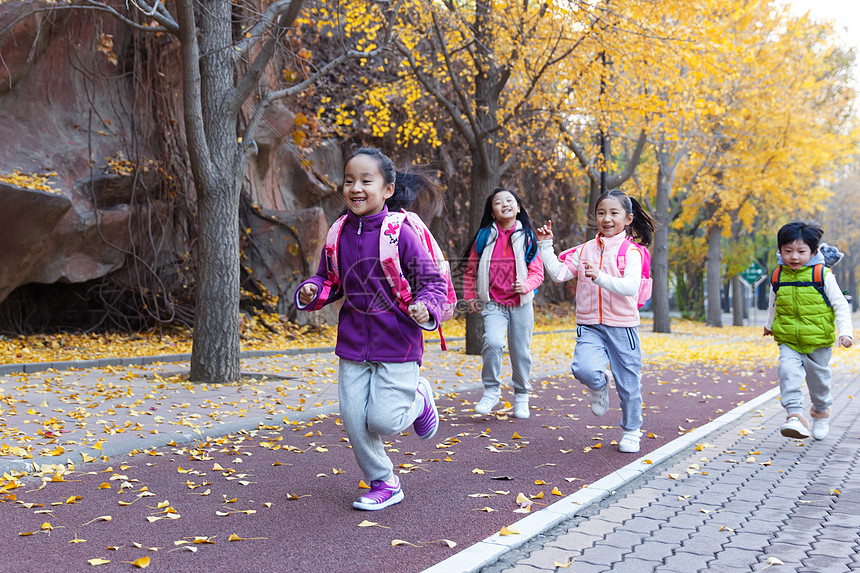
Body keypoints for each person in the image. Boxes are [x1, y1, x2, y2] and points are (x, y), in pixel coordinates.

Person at [295, 147, 448, 510]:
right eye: (349, 180)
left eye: (366, 180)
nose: (356, 188)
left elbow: (431, 281)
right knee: (353, 418)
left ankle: (420, 398)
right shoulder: (338, 233)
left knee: (383, 420)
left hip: (397, 341)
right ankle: (384, 481)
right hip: (352, 343)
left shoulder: (401, 234)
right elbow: (330, 279)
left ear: (387, 190)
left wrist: (426, 307)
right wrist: (313, 290)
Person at [536, 189, 655, 453]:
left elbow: (630, 287)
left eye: (614, 213)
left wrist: (599, 276)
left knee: (629, 384)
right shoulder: (586, 249)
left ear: (628, 219)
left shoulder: (631, 251)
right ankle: (599, 385)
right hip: (590, 325)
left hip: (623, 327)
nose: (606, 218)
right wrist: (545, 245)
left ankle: (631, 430)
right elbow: (558, 274)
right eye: (601, 213)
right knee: (583, 370)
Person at [763, 221, 853, 440]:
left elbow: (840, 304)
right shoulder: (778, 276)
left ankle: (821, 413)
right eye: (788, 251)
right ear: (780, 251)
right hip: (789, 339)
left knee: (818, 383)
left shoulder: (822, 275)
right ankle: (794, 416)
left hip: (818, 340)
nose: (794, 257)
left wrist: (846, 332)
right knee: (787, 373)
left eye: (801, 252)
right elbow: (774, 302)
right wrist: (769, 324)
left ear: (813, 252)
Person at [463, 189, 544, 419]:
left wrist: (527, 284)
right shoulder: (484, 237)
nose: (505, 204)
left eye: (510, 201)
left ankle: (521, 395)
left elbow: (538, 272)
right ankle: (491, 391)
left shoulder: (527, 237)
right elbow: (470, 271)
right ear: (492, 211)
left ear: (518, 207)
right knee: (493, 342)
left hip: (521, 303)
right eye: (498, 202)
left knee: (520, 351)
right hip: (493, 303)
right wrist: (470, 296)